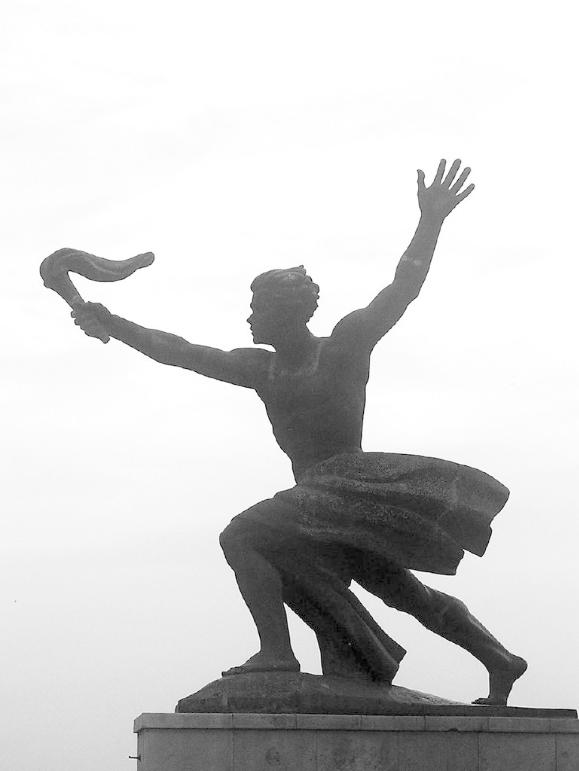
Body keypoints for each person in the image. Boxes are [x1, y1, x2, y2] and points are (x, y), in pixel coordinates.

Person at [71, 159, 526, 705]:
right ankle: (500, 659)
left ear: (286, 312)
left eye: (256, 308)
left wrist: (429, 222)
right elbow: (181, 352)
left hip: (349, 485)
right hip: (319, 496)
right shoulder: (261, 368)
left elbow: (400, 290)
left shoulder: (343, 346)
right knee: (399, 589)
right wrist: (112, 323)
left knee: (242, 534)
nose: (248, 319)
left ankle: (277, 653)